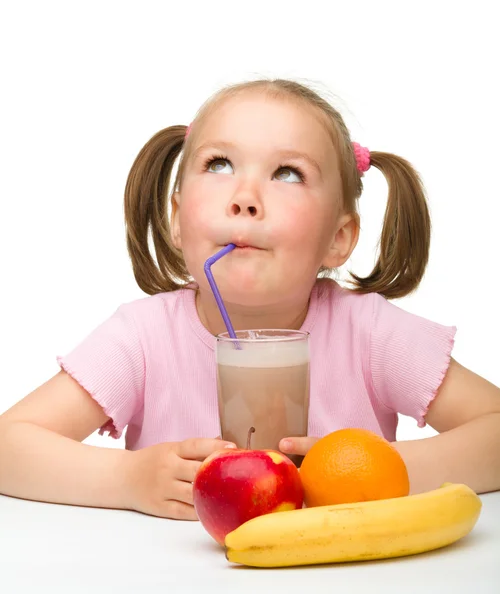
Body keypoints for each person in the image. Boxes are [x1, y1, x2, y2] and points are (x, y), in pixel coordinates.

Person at [0, 79, 499, 521]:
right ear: (176, 219)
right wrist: (127, 478)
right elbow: (9, 446)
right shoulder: (142, 339)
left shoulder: (371, 335)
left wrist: (378, 471)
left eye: (287, 173)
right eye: (219, 164)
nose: (244, 196)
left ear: (339, 238)